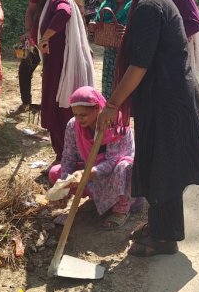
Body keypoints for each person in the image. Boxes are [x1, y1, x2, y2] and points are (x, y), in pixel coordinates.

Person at [96, 0, 199, 257]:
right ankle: (159, 225)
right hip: (162, 95)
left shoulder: (149, 5)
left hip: (168, 97)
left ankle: (165, 238)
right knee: (159, 162)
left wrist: (111, 105)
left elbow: (138, 65)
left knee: (165, 166)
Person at [48, 86, 136, 229]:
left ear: (97, 109)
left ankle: (121, 209)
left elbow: (113, 161)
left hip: (116, 175)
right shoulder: (73, 125)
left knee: (124, 168)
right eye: (75, 114)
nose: (78, 119)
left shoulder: (115, 124)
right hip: (92, 173)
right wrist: (64, 185)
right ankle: (100, 199)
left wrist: (87, 173)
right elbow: (68, 157)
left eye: (83, 115)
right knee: (55, 173)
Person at [36, 0, 95, 161]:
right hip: (59, 63)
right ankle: (67, 154)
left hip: (60, 66)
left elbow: (64, 13)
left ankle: (65, 156)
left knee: (59, 109)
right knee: (63, 109)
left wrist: (45, 37)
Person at [13, 0, 83, 115]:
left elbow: (69, 16)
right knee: (26, 68)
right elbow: (30, 11)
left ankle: (54, 109)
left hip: (56, 45)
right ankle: (26, 103)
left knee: (55, 77)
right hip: (36, 39)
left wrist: (47, 37)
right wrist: (29, 32)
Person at [94, 0, 131, 97]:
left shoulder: (132, 6)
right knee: (109, 87)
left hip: (127, 54)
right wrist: (93, 27)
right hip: (110, 55)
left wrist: (128, 31)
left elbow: (139, 28)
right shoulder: (106, 6)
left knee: (125, 87)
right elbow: (97, 23)